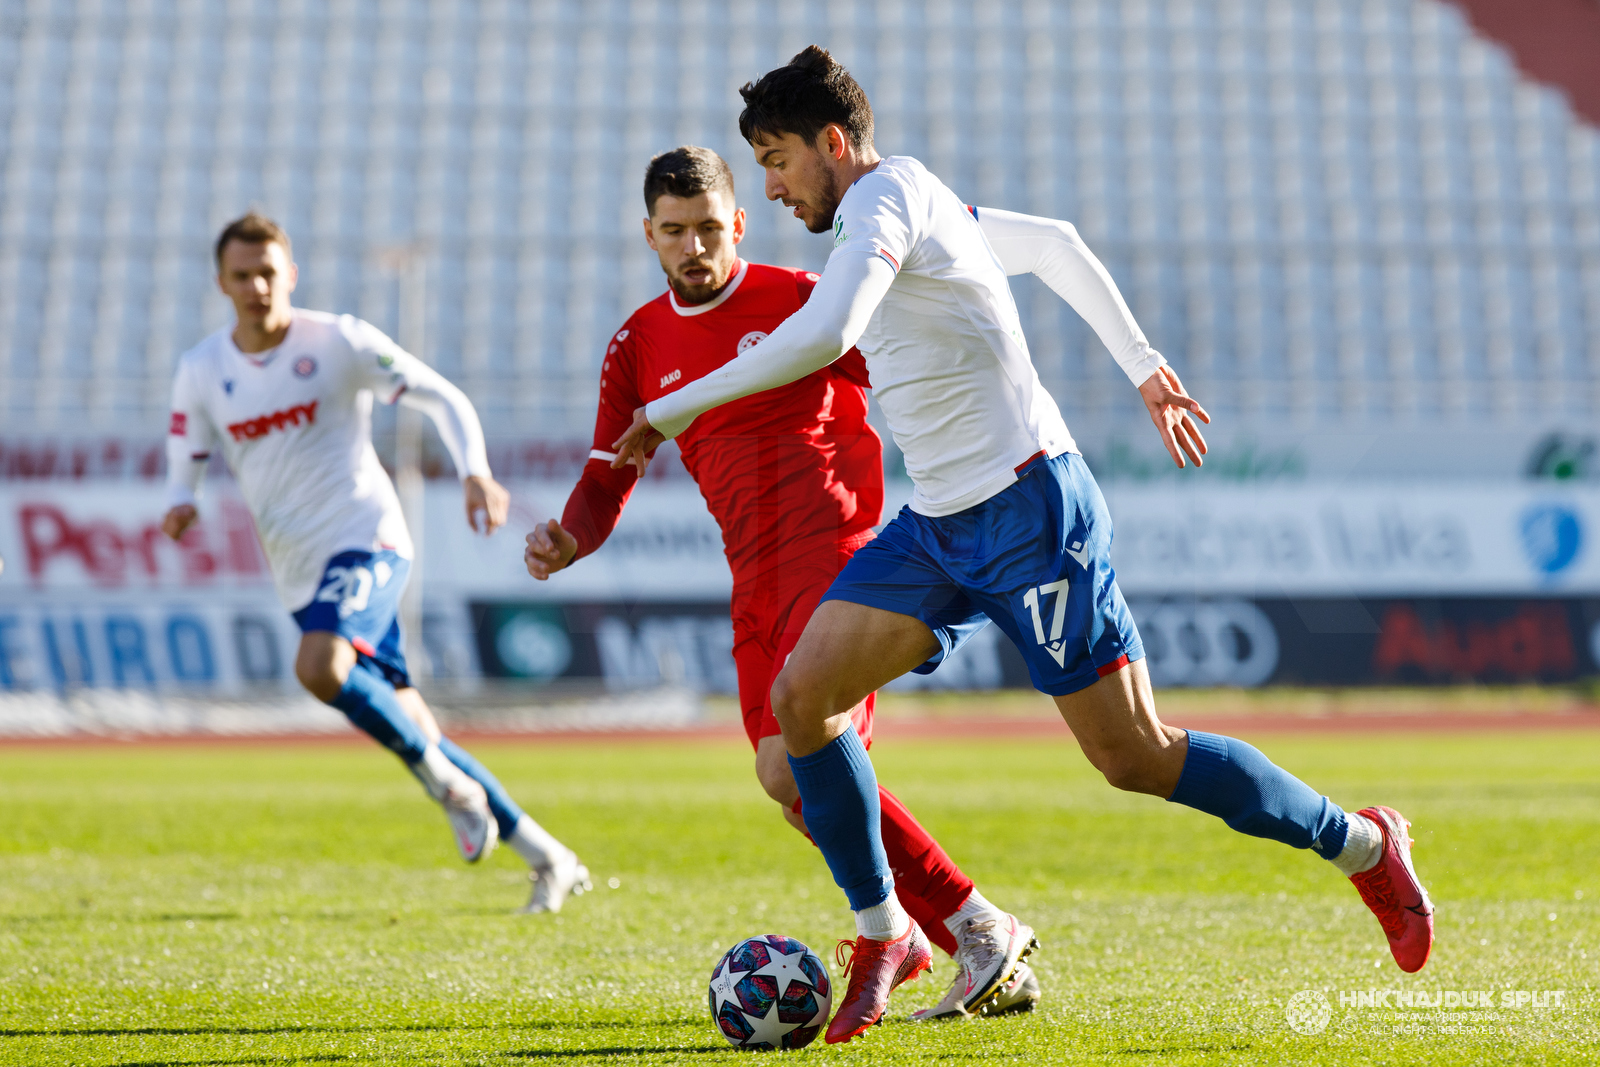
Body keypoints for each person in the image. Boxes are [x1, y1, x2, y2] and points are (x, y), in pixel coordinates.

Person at [610, 48, 1435, 1044]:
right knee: (800, 703)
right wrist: (1143, 367)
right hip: (939, 526)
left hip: (1030, 511)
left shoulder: (882, 204)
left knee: (1134, 755)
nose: (773, 186)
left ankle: (1359, 843)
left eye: (778, 160)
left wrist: (669, 407)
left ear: (833, 145)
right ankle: (885, 934)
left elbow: (827, 337)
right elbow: (1050, 243)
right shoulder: (913, 206)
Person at [524, 146, 1039, 1021]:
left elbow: (913, 374)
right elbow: (610, 470)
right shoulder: (639, 342)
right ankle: (944, 927)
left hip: (839, 558)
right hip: (752, 582)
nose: (694, 247)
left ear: (740, 223)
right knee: (790, 781)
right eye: (674, 231)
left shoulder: (807, 302)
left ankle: (955, 926)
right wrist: (570, 535)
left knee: (795, 755)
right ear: (648, 234)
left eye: (709, 228)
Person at [162, 212, 591, 914]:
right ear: (222, 282)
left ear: (290, 274)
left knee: (319, 665)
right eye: (242, 275)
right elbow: (187, 453)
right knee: (418, 729)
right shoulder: (203, 369)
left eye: (268, 271)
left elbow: (443, 396)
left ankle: (450, 789)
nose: (256, 286)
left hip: (369, 539)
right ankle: (550, 856)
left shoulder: (338, 341)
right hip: (300, 570)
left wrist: (474, 471)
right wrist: (181, 500)